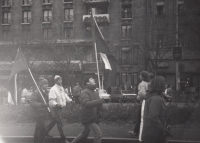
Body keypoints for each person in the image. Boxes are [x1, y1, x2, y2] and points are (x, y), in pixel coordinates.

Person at [71, 77, 105, 143]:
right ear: (87, 82)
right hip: (88, 117)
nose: (93, 79)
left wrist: (102, 108)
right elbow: (86, 103)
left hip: (93, 116)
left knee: (84, 134)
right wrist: (98, 101)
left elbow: (97, 105)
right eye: (91, 79)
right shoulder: (84, 92)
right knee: (98, 134)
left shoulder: (95, 93)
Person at [139, 76, 168, 143]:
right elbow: (153, 116)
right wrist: (163, 129)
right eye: (164, 83)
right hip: (155, 135)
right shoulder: (156, 99)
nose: (165, 85)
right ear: (160, 85)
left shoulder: (151, 96)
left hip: (149, 134)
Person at [45, 75, 72, 143]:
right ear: (55, 81)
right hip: (56, 108)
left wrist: (70, 100)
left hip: (61, 108)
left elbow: (64, 96)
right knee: (59, 123)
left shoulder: (61, 88)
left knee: (55, 121)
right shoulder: (53, 89)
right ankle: (63, 139)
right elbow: (51, 100)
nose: (60, 81)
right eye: (58, 80)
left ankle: (45, 131)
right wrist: (56, 104)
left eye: (61, 79)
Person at [129, 71, 149, 137]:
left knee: (140, 117)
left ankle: (136, 132)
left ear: (143, 77)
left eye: (140, 75)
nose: (139, 76)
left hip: (143, 102)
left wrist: (138, 98)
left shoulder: (142, 84)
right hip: (149, 102)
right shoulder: (150, 83)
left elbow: (142, 94)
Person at [29, 77, 49, 143]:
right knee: (42, 128)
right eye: (45, 84)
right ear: (41, 85)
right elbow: (32, 102)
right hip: (37, 113)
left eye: (47, 83)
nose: (46, 85)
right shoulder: (36, 92)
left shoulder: (46, 92)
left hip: (43, 113)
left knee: (37, 129)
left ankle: (35, 141)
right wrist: (42, 104)